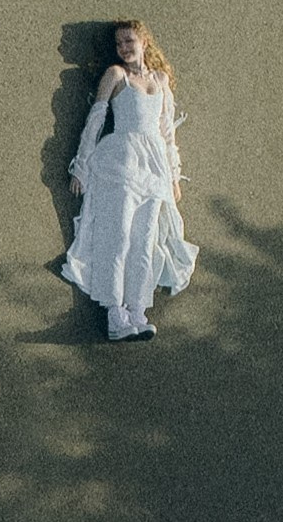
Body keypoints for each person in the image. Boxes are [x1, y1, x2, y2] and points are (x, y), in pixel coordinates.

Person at [61, 18, 195, 341]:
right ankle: (114, 314)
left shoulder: (160, 80)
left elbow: (167, 134)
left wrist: (174, 176)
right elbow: (96, 118)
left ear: (144, 42)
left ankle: (136, 310)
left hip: (154, 170)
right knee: (119, 237)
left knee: (144, 242)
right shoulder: (116, 75)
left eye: (129, 41)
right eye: (119, 43)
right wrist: (81, 165)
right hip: (122, 163)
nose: (124, 48)